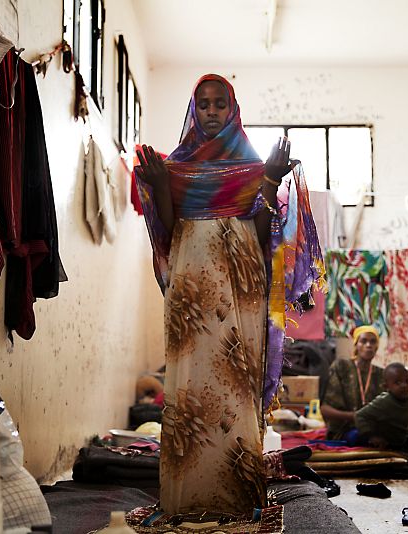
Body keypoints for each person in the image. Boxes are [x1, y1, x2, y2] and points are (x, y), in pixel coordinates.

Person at [133, 74, 323, 522]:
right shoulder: (176, 168)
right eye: (204, 104)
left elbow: (262, 237)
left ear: (233, 109)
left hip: (240, 287)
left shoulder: (253, 169)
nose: (212, 111)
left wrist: (271, 180)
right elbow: (168, 227)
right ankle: (185, 499)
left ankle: (236, 499)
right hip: (191, 289)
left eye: (221, 103)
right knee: (188, 388)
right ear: (193, 110)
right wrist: (161, 184)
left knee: (237, 386)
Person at [320, 325, 388, 441]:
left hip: (373, 429)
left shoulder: (381, 374)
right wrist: (355, 417)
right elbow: (325, 409)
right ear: (356, 344)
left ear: (377, 347)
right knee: (358, 436)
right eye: (363, 341)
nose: (368, 345)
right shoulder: (341, 366)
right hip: (344, 429)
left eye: (373, 342)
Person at [355, 362, 408, 449]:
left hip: (398, 442)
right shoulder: (384, 401)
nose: (404, 385)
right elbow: (359, 415)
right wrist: (372, 436)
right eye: (398, 382)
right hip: (380, 444)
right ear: (386, 386)